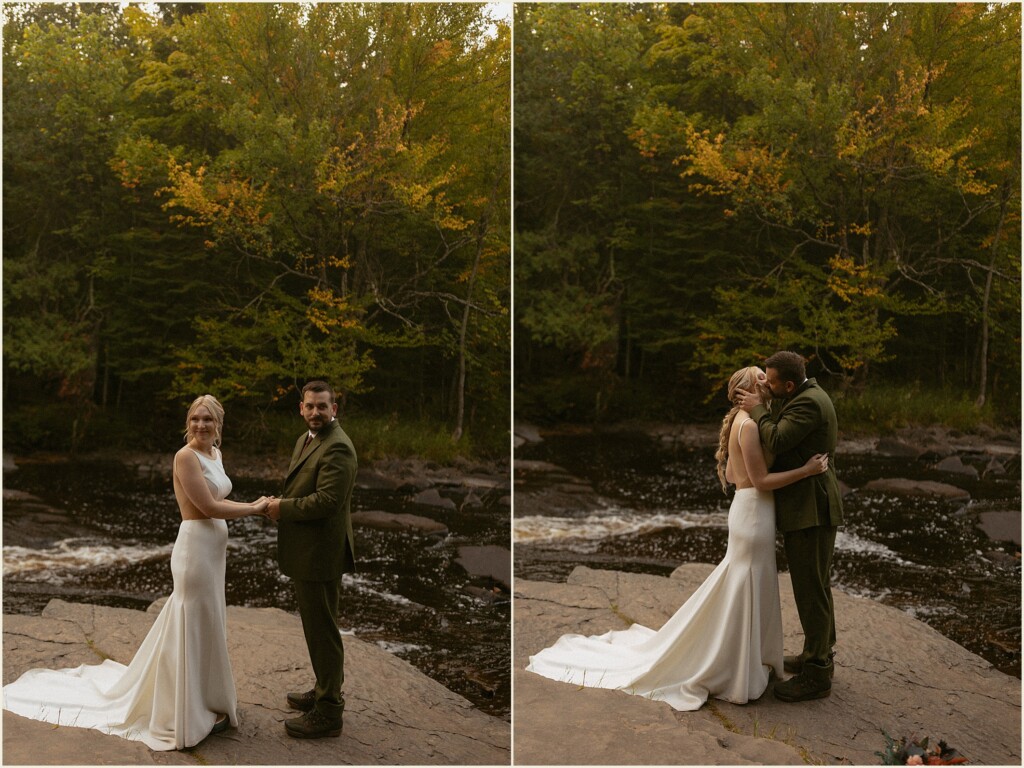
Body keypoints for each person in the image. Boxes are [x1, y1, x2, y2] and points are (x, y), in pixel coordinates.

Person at [526, 366, 828, 711]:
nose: (765, 381)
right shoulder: (749, 426)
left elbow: (732, 473)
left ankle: (744, 657)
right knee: (747, 582)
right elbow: (759, 480)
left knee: (745, 582)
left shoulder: (742, 423)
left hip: (747, 511)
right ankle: (735, 665)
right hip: (755, 513)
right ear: (747, 390)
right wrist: (806, 470)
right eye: (759, 377)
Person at [2, 394, 269, 750]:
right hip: (194, 549)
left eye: (208, 419)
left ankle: (206, 699)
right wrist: (255, 508)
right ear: (188, 422)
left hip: (213, 553)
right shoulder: (185, 456)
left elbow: (218, 500)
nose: (201, 425)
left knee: (208, 621)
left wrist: (252, 508)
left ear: (218, 424)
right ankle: (181, 712)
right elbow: (208, 506)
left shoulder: (215, 454)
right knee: (189, 621)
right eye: (195, 419)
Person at [735, 350, 843, 702]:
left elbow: (778, 439)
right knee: (816, 585)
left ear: (790, 383)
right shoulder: (802, 395)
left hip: (811, 508)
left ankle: (817, 674)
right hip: (810, 505)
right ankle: (817, 654)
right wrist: (764, 401)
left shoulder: (808, 403)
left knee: (811, 590)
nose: (766, 383)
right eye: (762, 377)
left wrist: (756, 409)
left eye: (772, 380)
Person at [266, 380, 357, 739]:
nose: (316, 412)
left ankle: (329, 711)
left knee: (323, 632)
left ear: (335, 409)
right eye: (310, 406)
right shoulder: (306, 440)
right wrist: (282, 502)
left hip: (321, 553)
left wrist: (280, 509)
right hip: (308, 549)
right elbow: (303, 488)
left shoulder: (339, 447)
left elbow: (326, 502)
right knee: (316, 628)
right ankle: (323, 691)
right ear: (301, 408)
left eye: (323, 406)